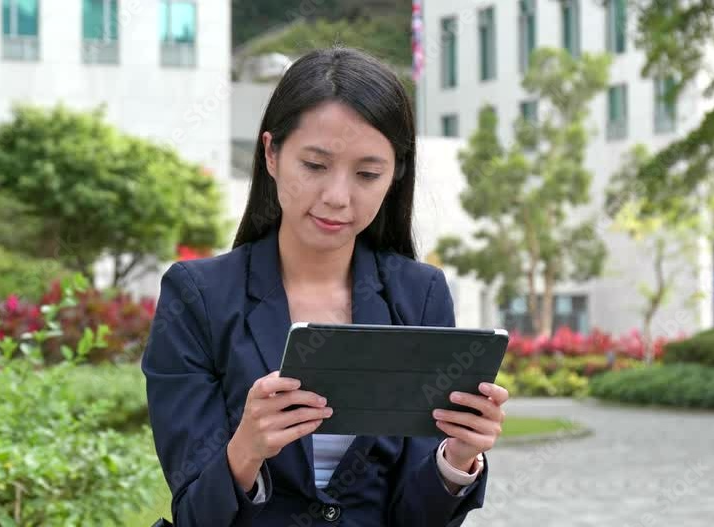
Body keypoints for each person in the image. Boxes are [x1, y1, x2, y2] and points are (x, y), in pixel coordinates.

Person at [141, 46, 509, 527]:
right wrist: (244, 451)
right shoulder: (198, 297)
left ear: (395, 174)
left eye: (367, 174)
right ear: (271, 153)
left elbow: (415, 517)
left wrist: (456, 459)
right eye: (314, 166)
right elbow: (193, 513)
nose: (337, 197)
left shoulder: (419, 294)